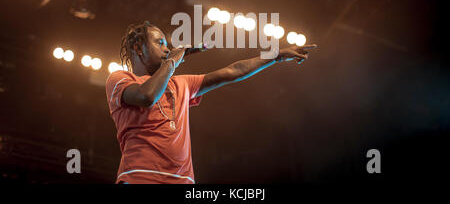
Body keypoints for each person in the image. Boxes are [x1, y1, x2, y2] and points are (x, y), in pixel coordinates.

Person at [105, 20, 317, 184]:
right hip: (140, 177)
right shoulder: (120, 79)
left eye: (166, 45)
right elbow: (147, 97)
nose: (167, 49)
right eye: (159, 43)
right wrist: (173, 61)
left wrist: (276, 56)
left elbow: (234, 71)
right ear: (138, 48)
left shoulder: (181, 84)